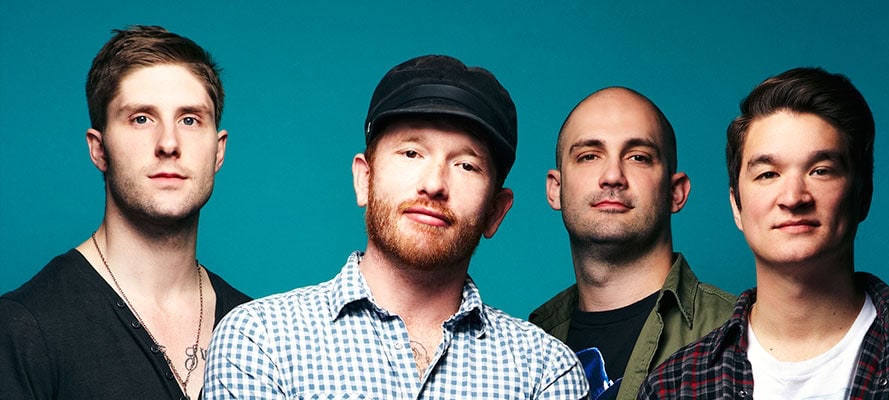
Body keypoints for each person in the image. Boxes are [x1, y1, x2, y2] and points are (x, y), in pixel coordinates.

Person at [203, 55, 588, 399]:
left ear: (495, 211)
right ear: (364, 180)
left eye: (466, 165)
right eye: (411, 152)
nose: (434, 183)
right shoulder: (260, 341)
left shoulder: (547, 372)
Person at [638, 67, 889, 399]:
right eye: (768, 174)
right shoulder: (675, 385)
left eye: (821, 170)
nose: (794, 197)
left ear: (863, 195)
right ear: (737, 206)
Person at [0, 25, 251, 399]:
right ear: (99, 149)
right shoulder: (25, 327)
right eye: (141, 118)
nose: (168, 143)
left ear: (218, 151)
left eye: (189, 119)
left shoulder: (254, 327)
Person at [529, 87, 736, 399]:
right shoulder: (529, 344)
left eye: (638, 157)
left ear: (675, 191)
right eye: (589, 156)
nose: (613, 176)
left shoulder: (738, 334)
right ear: (555, 189)